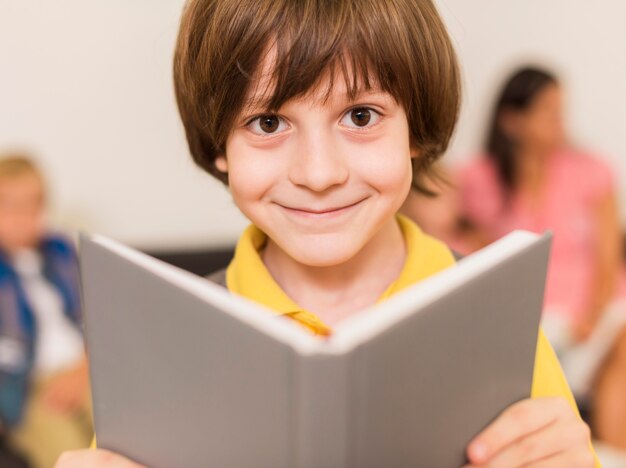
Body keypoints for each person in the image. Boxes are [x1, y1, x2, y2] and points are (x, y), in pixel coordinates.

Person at [56, 1, 597, 466]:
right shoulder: (165, 348)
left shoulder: (498, 314)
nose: (318, 174)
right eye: (268, 123)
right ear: (219, 144)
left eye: (361, 116)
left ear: (415, 127)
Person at [457, 66, 626, 451]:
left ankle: (614, 453)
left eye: (561, 112)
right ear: (513, 121)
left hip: (597, 314)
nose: (559, 122)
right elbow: (471, 246)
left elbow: (608, 255)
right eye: (548, 111)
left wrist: (593, 315)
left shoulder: (592, 171)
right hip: (529, 318)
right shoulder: (477, 178)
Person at [0, 155, 93, 467]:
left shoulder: (62, 252)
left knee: (126, 430)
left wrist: (82, 370)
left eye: (34, 204)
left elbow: (95, 316)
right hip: (28, 385)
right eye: (10, 204)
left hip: (84, 366)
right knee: (65, 449)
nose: (23, 215)